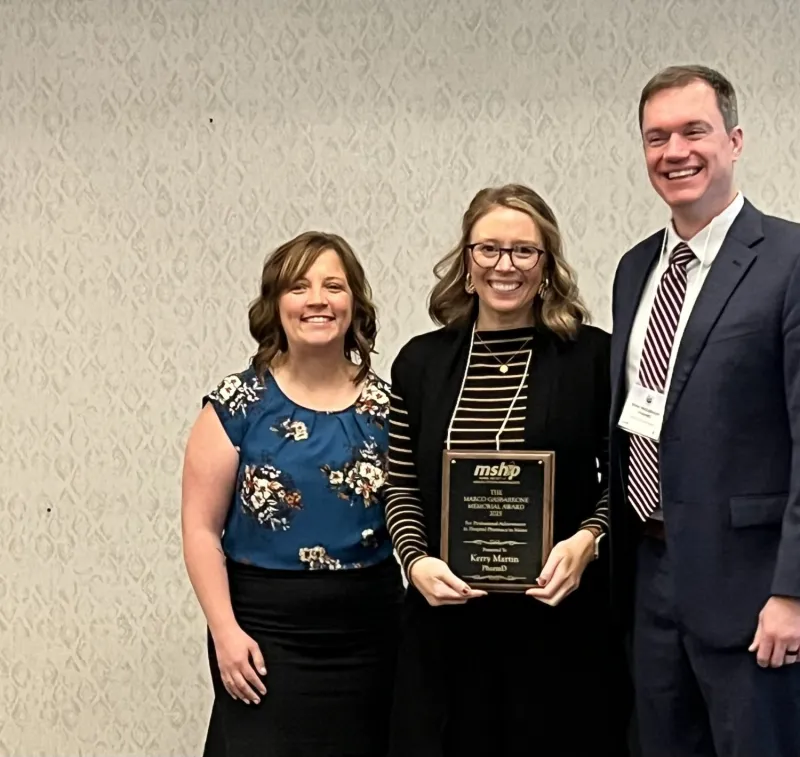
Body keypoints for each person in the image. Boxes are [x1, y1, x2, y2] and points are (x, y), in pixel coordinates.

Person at [608, 65, 800, 757]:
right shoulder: (636, 270)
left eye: (695, 130)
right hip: (652, 580)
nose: (675, 151)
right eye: (656, 137)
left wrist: (799, 590)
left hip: (758, 592)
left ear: (735, 139)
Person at [383, 184, 631, 757]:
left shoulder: (592, 357)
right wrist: (415, 562)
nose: (505, 265)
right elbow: (399, 483)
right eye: (488, 249)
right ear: (466, 261)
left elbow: (625, 479)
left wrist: (588, 542)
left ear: (546, 265)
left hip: (559, 626)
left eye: (525, 251)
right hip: (446, 628)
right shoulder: (419, 362)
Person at [180, 231, 403, 757]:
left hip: (372, 635)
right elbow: (200, 529)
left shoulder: (391, 406)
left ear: (354, 303)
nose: (318, 300)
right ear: (276, 304)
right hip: (262, 637)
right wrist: (224, 634)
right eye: (299, 287)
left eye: (334, 285)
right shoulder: (237, 404)